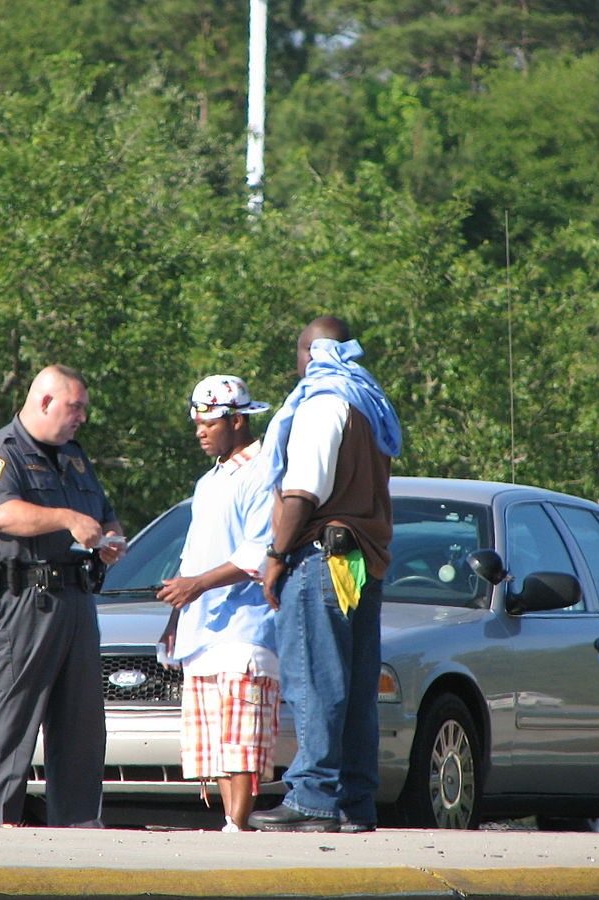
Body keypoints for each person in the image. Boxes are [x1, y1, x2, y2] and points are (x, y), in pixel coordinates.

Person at [247, 316, 402, 834]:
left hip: (321, 560)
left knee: (315, 678)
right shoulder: (368, 403)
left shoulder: (320, 404)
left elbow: (302, 492)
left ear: (309, 353)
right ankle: (354, 804)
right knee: (354, 687)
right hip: (361, 560)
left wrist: (274, 556)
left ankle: (312, 798)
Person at [0, 364, 126, 827]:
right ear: (45, 401)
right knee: (8, 725)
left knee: (81, 729)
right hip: (19, 603)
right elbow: (3, 516)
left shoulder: (74, 456)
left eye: (84, 410)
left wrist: (111, 536)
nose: (82, 418)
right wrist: (67, 519)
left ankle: (76, 833)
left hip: (74, 598)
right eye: (75, 408)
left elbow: (104, 513)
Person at [156, 375, 279, 832]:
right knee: (217, 746)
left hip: (246, 630)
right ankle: (233, 824)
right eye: (197, 423)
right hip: (201, 630)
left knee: (243, 740)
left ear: (237, 420)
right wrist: (176, 616)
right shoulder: (209, 481)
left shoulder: (264, 470)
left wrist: (197, 587)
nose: (200, 432)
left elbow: (259, 551)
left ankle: (238, 825)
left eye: (209, 422)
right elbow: (192, 556)